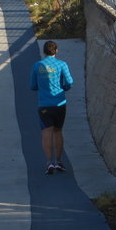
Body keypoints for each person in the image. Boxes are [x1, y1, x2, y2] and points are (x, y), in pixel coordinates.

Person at [29, 40, 74, 175]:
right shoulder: (62, 64)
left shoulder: (37, 66)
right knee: (58, 132)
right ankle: (59, 161)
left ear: (44, 51)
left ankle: (49, 162)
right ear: (56, 51)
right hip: (60, 104)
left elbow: (32, 86)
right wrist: (63, 88)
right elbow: (69, 82)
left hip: (44, 105)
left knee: (46, 133)